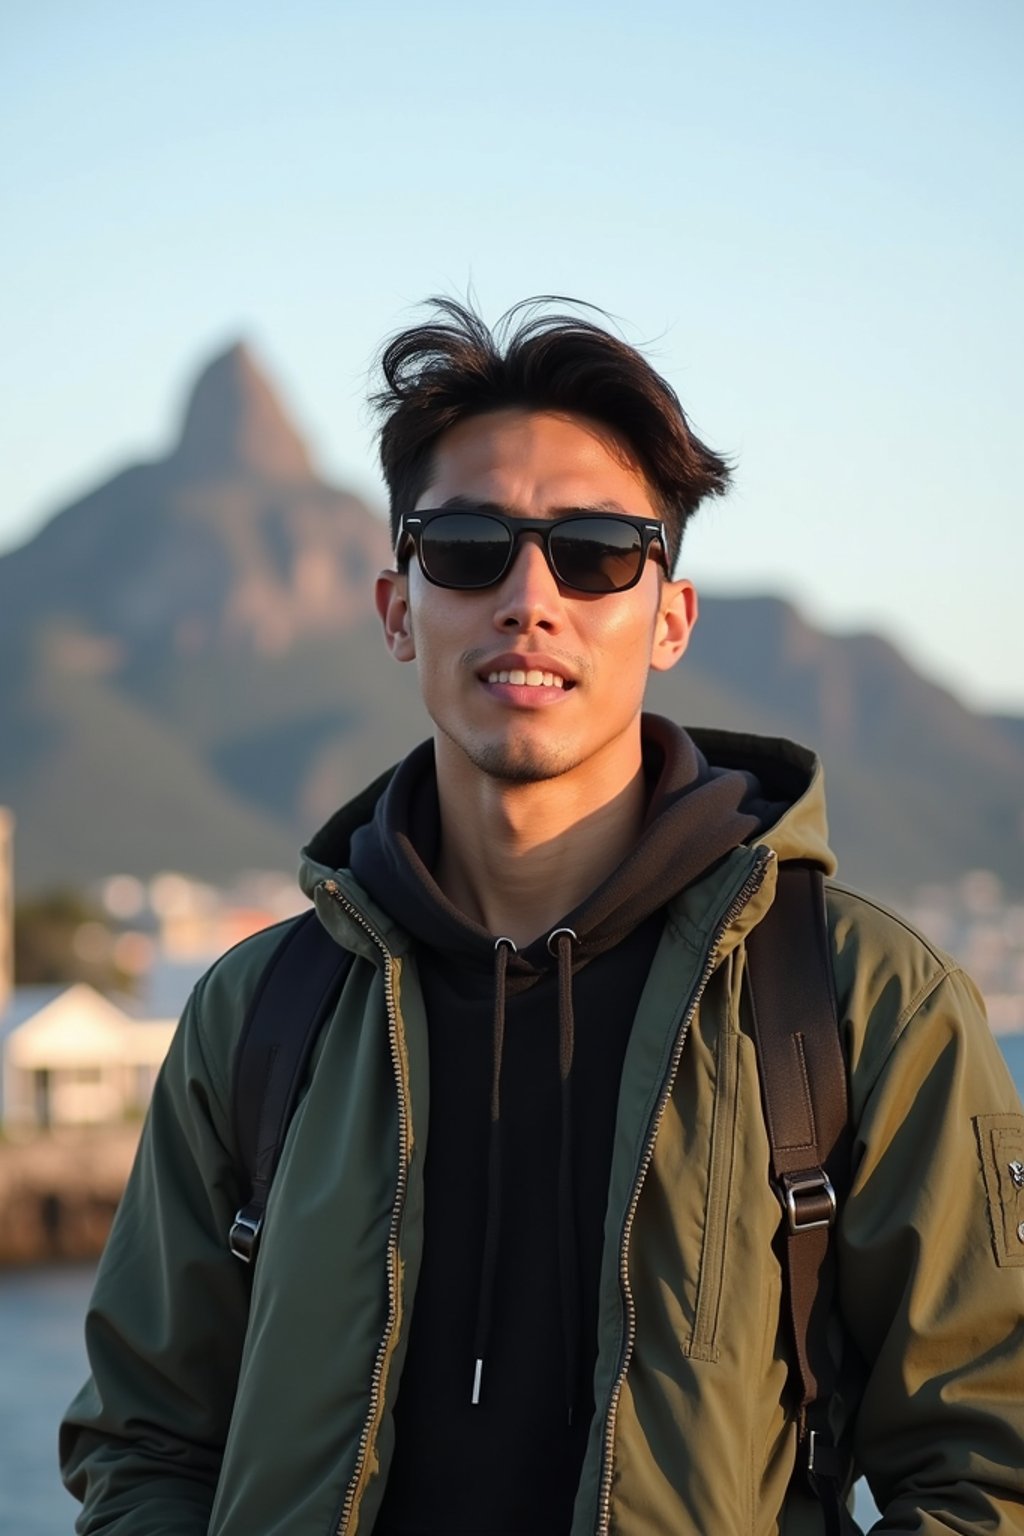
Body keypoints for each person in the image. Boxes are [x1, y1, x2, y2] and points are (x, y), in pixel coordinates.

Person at [61, 299, 1024, 1535]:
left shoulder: (855, 1004)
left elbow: (986, 1474)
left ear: (667, 617)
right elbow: (144, 1444)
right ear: (398, 606)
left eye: (595, 551)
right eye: (466, 545)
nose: (529, 597)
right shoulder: (260, 1015)